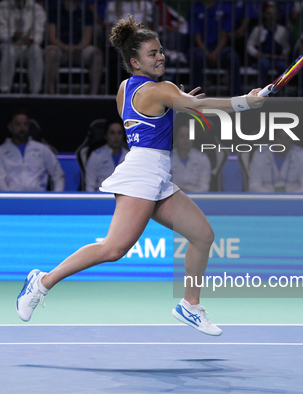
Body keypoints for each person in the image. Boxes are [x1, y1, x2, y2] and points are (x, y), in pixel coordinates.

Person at [16, 15, 265, 336]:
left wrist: (180, 99)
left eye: (160, 51)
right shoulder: (160, 89)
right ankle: (42, 282)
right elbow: (199, 109)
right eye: (152, 54)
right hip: (143, 173)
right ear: (135, 61)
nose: (160, 57)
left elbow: (162, 113)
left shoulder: (125, 89)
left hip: (157, 174)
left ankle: (190, 305)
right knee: (113, 249)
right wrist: (247, 102)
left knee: (203, 236)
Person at [0, 109, 65, 191]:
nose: (22, 128)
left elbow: (58, 175)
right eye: (18, 124)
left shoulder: (42, 149)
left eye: (25, 124)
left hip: (38, 199)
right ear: (10, 127)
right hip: (12, 199)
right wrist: (7, 199)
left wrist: (56, 197)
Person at [46, 0, 103, 95]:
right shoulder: (54, 10)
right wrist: (65, 47)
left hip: (80, 50)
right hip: (60, 49)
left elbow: (87, 38)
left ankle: (93, 95)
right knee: (51, 53)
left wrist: (79, 47)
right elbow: (52, 38)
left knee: (97, 55)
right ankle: (51, 93)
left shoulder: (85, 11)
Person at [190, 1, 243, 96]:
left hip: (220, 49)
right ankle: (196, 95)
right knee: (197, 57)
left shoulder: (224, 9)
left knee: (233, 57)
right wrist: (206, 52)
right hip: (200, 49)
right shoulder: (195, 9)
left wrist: (215, 52)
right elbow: (196, 35)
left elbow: (224, 35)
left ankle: (235, 95)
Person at [0, 0, 46, 94]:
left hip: (27, 46)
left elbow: (38, 32)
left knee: (36, 50)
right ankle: (4, 90)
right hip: (8, 44)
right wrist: (12, 37)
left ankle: (35, 91)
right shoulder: (2, 7)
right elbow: (1, 32)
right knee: (9, 50)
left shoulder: (37, 8)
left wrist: (31, 39)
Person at [248, 129, 303, 193]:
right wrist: (272, 198)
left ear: (291, 140)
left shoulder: (300, 154)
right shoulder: (260, 154)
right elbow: (254, 185)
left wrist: (291, 198)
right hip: (266, 199)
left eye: (287, 138)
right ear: (273, 138)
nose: (283, 142)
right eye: (279, 137)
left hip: (293, 199)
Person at [246, 3, 290, 88]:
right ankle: (261, 91)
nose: (271, 16)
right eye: (269, 13)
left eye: (274, 14)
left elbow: (286, 47)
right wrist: (256, 53)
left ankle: (281, 91)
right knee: (264, 64)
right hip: (262, 58)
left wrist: (284, 54)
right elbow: (249, 44)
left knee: (283, 67)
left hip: (276, 58)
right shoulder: (258, 29)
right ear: (264, 15)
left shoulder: (282, 30)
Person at [84, 121, 129, 191]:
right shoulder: (96, 156)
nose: (116, 137)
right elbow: (90, 186)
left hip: (124, 198)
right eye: (112, 133)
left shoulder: (129, 156)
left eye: (119, 133)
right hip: (101, 198)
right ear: (106, 135)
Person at [171, 125, 211, 192]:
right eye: (181, 136)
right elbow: (163, 186)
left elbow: (205, 187)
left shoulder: (202, 158)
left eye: (189, 136)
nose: (185, 139)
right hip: (173, 197)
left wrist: (190, 191)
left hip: (197, 198)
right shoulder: (167, 158)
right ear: (176, 139)